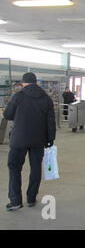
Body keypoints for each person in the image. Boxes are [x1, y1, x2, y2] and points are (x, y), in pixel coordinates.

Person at [3, 72, 56, 211]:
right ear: (36, 82)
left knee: (14, 167)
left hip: (19, 139)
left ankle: (15, 201)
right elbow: (51, 121)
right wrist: (50, 139)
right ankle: (31, 198)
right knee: (36, 168)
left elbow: (7, 115)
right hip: (39, 140)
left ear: (23, 83)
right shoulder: (46, 98)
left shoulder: (18, 96)